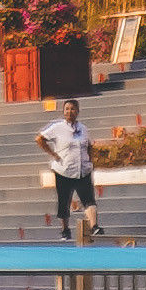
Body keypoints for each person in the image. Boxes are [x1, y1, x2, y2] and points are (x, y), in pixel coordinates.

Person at [37, 97, 99, 242]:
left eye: (72, 109)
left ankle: (94, 225)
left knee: (89, 199)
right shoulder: (58, 127)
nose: (69, 112)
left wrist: (90, 160)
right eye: (67, 109)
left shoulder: (83, 128)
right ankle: (65, 230)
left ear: (77, 111)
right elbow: (40, 139)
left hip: (82, 170)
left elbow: (89, 145)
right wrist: (52, 154)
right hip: (63, 170)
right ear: (63, 111)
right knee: (64, 201)